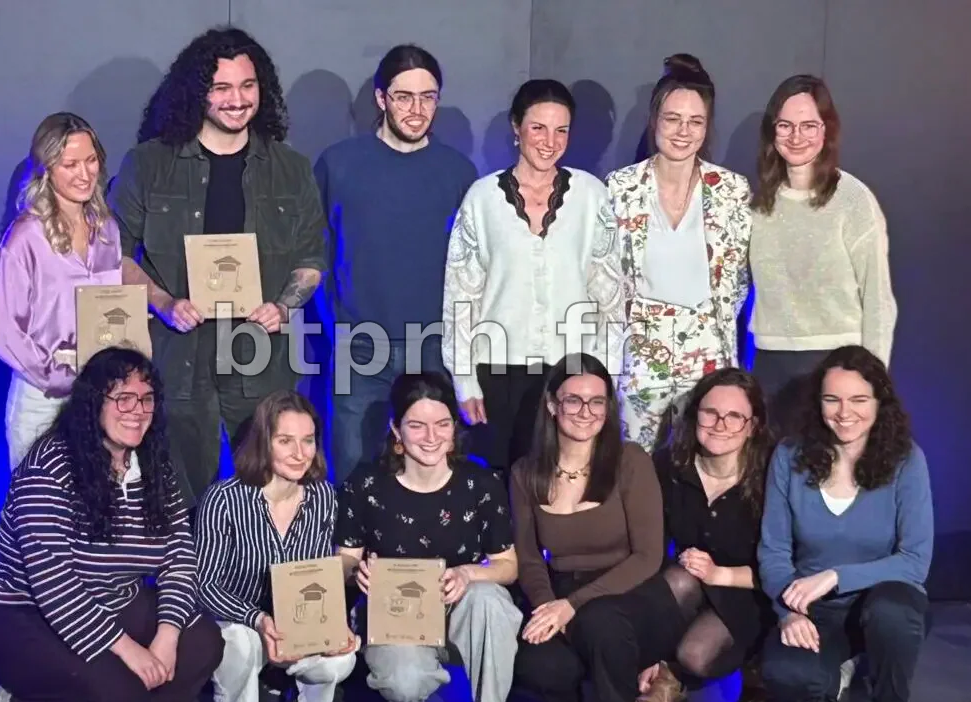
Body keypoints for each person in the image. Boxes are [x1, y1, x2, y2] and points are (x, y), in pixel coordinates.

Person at [110, 26, 327, 506]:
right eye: (222, 87)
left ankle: (268, 580)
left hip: (261, 353)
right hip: (178, 352)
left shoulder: (291, 168)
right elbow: (114, 255)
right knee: (179, 495)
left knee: (276, 490)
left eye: (248, 86)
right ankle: (187, 580)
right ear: (197, 92)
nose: (237, 99)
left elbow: (312, 258)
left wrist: (284, 306)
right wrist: (163, 303)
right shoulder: (149, 164)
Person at [0, 347, 224, 702]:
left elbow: (179, 556)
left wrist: (167, 636)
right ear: (93, 403)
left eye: (146, 398)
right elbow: (55, 585)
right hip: (19, 614)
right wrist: (129, 651)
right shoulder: (49, 467)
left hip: (110, 599)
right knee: (116, 693)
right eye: (122, 397)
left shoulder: (155, 465)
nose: (136, 409)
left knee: (203, 641)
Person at [314, 44, 477, 483]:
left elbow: (473, 268)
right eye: (404, 96)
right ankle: (351, 552)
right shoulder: (339, 164)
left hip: (433, 346)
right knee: (352, 466)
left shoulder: (458, 172)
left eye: (428, 97)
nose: (417, 109)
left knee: (432, 472)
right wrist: (335, 330)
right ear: (381, 98)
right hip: (360, 345)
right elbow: (314, 255)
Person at [442, 81, 622, 475]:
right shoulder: (482, 198)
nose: (550, 141)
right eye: (538, 127)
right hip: (498, 369)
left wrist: (603, 378)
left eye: (562, 130)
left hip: (572, 372)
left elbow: (609, 295)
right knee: (502, 484)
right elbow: (461, 294)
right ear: (516, 127)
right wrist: (465, 381)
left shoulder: (592, 196)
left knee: (562, 483)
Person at [758, 345, 932, 702]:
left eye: (858, 399)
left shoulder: (907, 460)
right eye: (832, 399)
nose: (844, 412)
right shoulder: (788, 457)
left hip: (885, 602)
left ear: (879, 403)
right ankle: (825, 686)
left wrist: (836, 576)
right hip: (815, 608)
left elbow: (914, 562)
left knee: (891, 612)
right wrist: (787, 613)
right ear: (817, 403)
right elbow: (774, 552)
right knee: (783, 673)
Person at [335, 372, 520, 702]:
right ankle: (405, 701)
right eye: (417, 426)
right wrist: (358, 572)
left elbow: (507, 565)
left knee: (490, 599)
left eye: (442, 424)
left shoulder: (480, 483)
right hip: (396, 612)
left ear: (454, 427)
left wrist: (469, 574)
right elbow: (345, 559)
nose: (431, 437)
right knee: (403, 684)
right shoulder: (367, 484)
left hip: (461, 611)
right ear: (396, 430)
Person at [510, 354, 664, 702]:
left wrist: (573, 606)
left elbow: (648, 557)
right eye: (573, 400)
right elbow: (529, 559)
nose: (586, 411)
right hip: (564, 589)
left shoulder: (631, 460)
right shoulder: (525, 473)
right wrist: (549, 608)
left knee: (601, 623)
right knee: (539, 662)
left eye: (597, 401)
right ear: (551, 404)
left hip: (631, 588)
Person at [604, 54, 753, 451]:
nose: (683, 131)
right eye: (672, 119)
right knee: (632, 462)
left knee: (705, 462)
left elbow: (738, 280)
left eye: (695, 121)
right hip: (639, 346)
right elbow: (604, 279)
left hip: (708, 347)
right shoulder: (619, 189)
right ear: (655, 121)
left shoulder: (731, 191)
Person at [195, 390, 358, 702]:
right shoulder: (224, 499)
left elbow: (322, 576)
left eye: (308, 441)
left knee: (342, 658)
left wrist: (334, 624)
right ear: (263, 442)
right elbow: (204, 584)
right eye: (286, 441)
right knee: (240, 642)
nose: (300, 454)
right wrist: (258, 618)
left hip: (298, 623)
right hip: (241, 621)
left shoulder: (324, 497)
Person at [749, 75, 897, 436]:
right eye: (785, 125)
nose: (796, 136)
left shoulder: (853, 200)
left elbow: (879, 300)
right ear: (772, 131)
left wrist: (869, 386)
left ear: (826, 129)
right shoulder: (756, 204)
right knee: (769, 478)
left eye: (808, 125)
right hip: (770, 362)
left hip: (835, 362)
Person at [633, 368, 776, 702]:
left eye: (734, 416)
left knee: (696, 655)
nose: (720, 424)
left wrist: (720, 575)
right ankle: (658, 667)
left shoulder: (772, 473)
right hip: (690, 578)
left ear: (753, 425)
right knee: (674, 582)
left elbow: (784, 566)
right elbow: (654, 543)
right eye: (710, 412)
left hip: (750, 588)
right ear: (696, 414)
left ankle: (751, 656)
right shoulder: (670, 464)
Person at [0, 112, 122, 468]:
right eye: (71, 164)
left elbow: (113, 309)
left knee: (100, 509)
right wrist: (56, 375)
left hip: (100, 394)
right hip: (42, 398)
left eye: (91, 160)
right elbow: (3, 332)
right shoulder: (24, 238)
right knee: (40, 511)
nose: (85, 174)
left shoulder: (107, 229)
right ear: (47, 169)